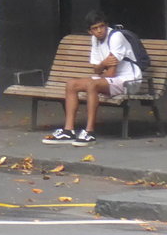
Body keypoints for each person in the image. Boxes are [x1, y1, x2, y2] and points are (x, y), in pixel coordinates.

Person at [43, 9, 143, 146]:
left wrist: (101, 70)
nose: (99, 31)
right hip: (113, 80)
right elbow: (96, 68)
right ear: (90, 31)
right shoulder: (94, 40)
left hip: (129, 80)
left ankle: (89, 132)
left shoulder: (116, 37)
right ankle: (68, 131)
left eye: (102, 26)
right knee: (71, 84)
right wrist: (103, 64)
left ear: (106, 25)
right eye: (95, 28)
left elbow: (111, 73)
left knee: (92, 85)